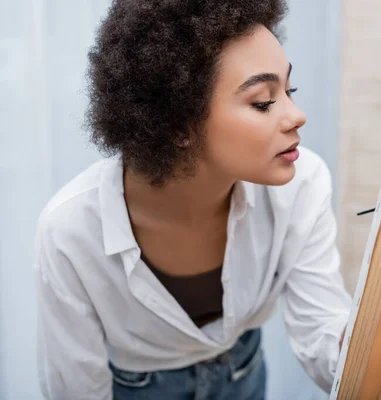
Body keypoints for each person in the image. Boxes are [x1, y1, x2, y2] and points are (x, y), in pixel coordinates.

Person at [33, 1, 351, 399]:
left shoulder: (303, 183)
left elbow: (323, 329)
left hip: (245, 373)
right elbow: (75, 389)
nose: (297, 115)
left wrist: (376, 344)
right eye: (263, 102)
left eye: (290, 90)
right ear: (179, 123)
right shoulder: (71, 231)